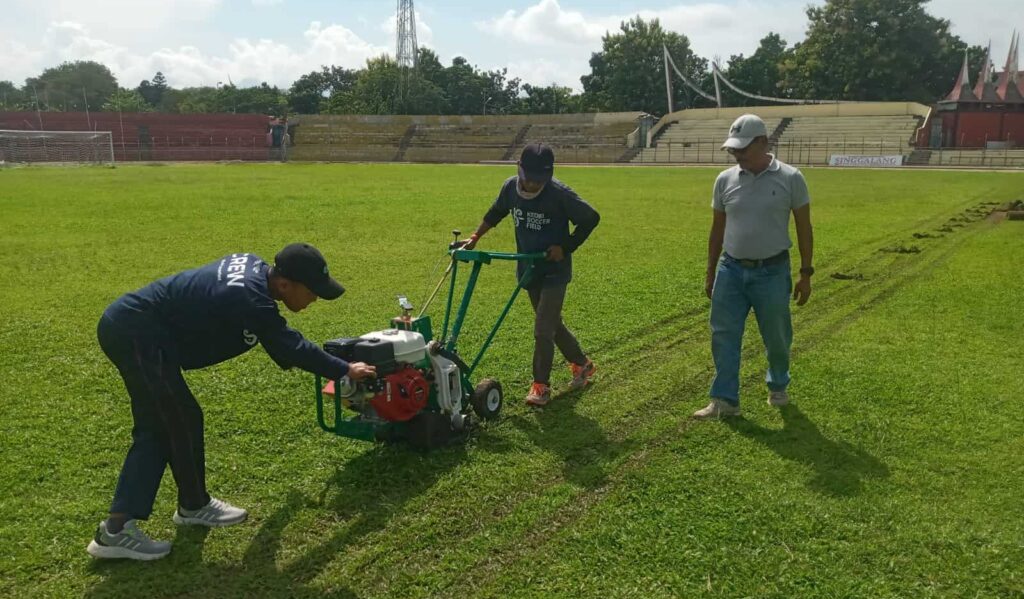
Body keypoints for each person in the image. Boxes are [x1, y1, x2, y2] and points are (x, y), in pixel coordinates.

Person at [87, 243, 376, 560]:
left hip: (142, 332)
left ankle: (193, 505)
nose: (315, 298)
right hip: (137, 334)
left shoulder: (255, 272)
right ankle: (115, 530)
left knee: (181, 418)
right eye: (312, 291)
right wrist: (345, 369)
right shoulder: (252, 301)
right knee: (160, 426)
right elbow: (292, 347)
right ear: (283, 284)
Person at [462, 143, 600, 407]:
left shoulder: (559, 194)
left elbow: (591, 218)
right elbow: (496, 212)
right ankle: (583, 364)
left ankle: (540, 386)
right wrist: (476, 236)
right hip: (528, 268)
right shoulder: (509, 188)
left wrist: (566, 247)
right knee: (551, 326)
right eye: (529, 180)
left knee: (542, 330)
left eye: (539, 182)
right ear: (519, 169)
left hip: (554, 271)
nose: (533, 186)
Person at [695, 114, 814, 419]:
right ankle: (725, 400)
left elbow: (804, 227)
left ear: (763, 142)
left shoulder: (790, 178)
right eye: (733, 150)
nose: (737, 155)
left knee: (776, 336)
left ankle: (777, 385)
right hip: (730, 270)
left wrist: (805, 273)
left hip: (772, 272)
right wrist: (711, 272)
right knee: (723, 334)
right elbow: (716, 230)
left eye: (743, 149)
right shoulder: (724, 180)